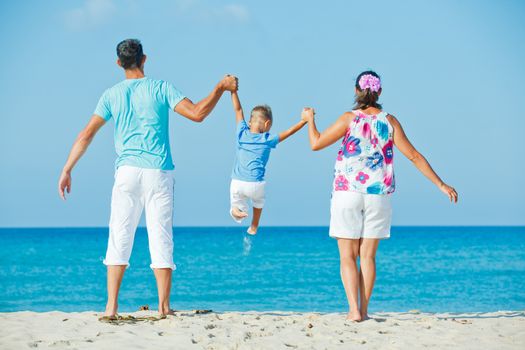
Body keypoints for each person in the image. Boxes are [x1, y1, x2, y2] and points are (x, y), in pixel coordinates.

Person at [57, 39, 238, 318]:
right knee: (161, 236)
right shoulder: (161, 88)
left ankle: (111, 307)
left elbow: (86, 135)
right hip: (157, 171)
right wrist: (220, 88)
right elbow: (198, 113)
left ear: (119, 63)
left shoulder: (111, 95)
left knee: (119, 235)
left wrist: (67, 168)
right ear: (144, 59)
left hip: (127, 172)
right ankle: (163, 307)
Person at [301, 70, 458, 322]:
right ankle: (364, 310)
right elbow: (415, 156)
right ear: (380, 92)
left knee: (347, 256)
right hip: (378, 195)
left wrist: (309, 119)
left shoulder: (348, 118)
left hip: (347, 192)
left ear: (356, 91)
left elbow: (316, 143)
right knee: (368, 257)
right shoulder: (390, 121)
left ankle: (353, 311)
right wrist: (441, 184)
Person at [229, 91, 306, 235]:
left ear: (250, 122)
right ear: (267, 124)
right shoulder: (267, 139)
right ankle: (254, 226)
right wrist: (303, 121)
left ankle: (236, 210)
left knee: (236, 201)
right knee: (259, 203)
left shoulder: (241, 134)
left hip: (237, 183)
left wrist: (233, 91)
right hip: (256, 184)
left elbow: (238, 109)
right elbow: (289, 132)